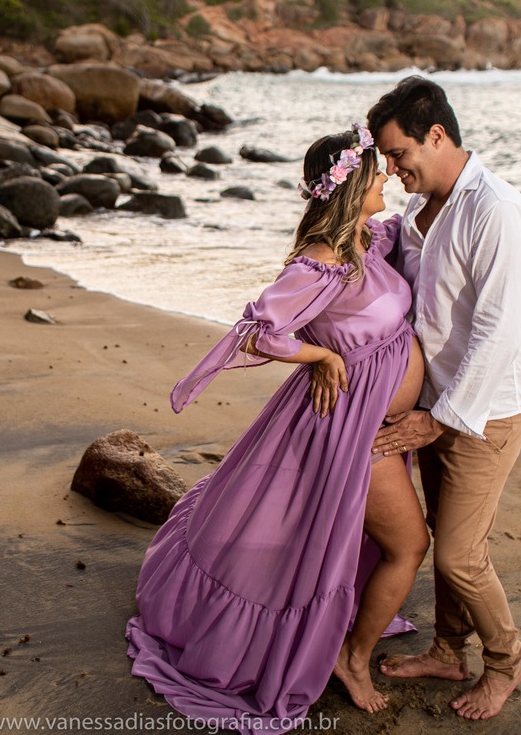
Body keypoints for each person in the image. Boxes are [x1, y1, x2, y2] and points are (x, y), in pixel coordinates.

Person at [126, 124, 430, 733]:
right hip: (348, 429)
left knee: (331, 538)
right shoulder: (321, 263)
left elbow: (420, 236)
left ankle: (348, 638)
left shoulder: (368, 238)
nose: (388, 176)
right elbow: (261, 330)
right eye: (378, 171)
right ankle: (353, 659)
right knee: (410, 544)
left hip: (369, 420)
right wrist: (321, 357)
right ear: (348, 185)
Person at [348, 76, 521, 720]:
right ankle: (449, 650)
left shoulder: (496, 209)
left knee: (459, 554)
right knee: (437, 533)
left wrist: (440, 418)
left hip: (487, 410)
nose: (393, 169)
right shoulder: (411, 217)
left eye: (399, 154)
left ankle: (506, 660)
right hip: (430, 406)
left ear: (437, 135)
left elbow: (499, 328)